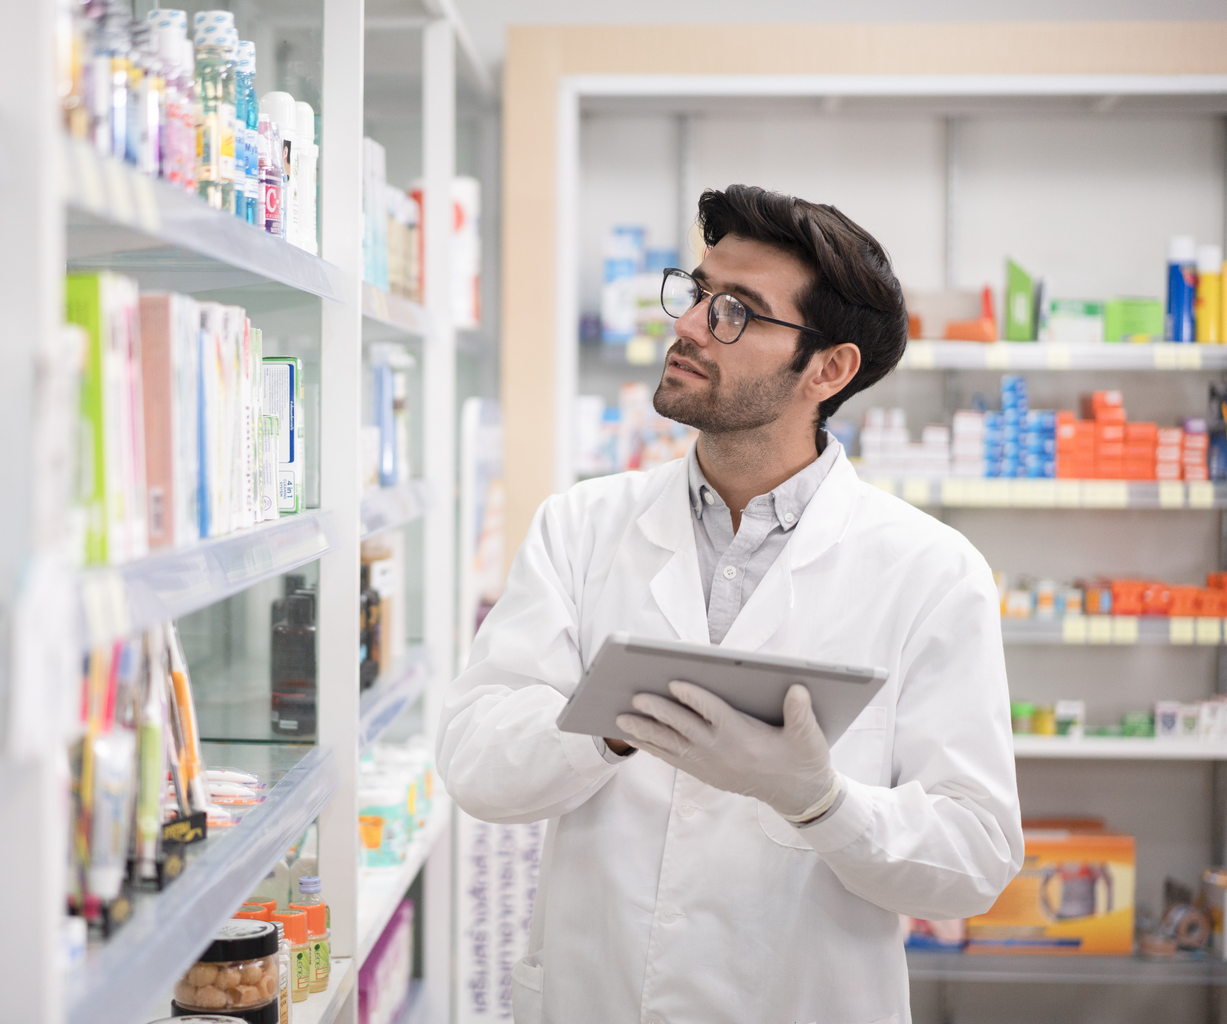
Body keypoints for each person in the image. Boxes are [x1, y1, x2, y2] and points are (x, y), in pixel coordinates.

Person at [436, 185, 1021, 1024]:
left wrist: (821, 801)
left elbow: (976, 859)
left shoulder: (932, 572)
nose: (688, 325)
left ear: (830, 368)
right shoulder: (580, 526)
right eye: (699, 293)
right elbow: (475, 763)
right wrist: (606, 724)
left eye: (737, 312)